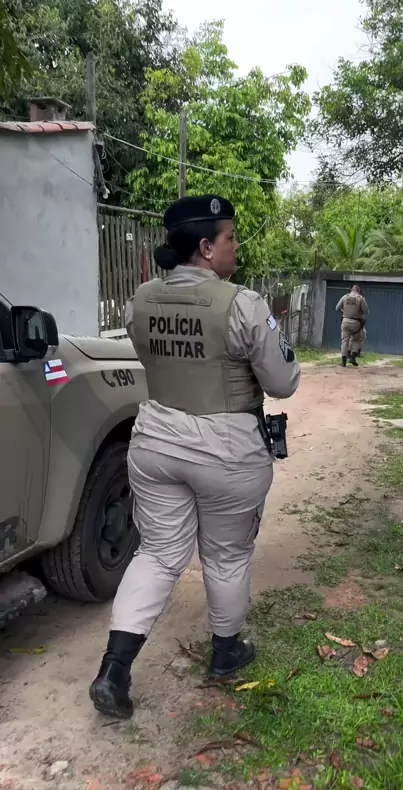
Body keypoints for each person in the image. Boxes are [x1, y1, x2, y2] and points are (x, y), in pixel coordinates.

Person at [89, 194, 301, 719]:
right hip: (227, 450)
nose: (236, 246)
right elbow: (283, 381)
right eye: (230, 238)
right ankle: (226, 653)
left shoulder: (141, 300)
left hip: (156, 442)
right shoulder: (242, 304)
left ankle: (114, 671)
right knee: (226, 555)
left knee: (158, 553)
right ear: (206, 247)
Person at [336, 284, 368, 367]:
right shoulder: (361, 298)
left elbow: (337, 308)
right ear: (359, 290)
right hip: (356, 323)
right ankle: (353, 357)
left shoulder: (344, 297)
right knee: (357, 340)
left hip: (345, 321)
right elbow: (366, 311)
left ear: (351, 290)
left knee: (344, 341)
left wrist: (344, 312)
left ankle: (343, 362)